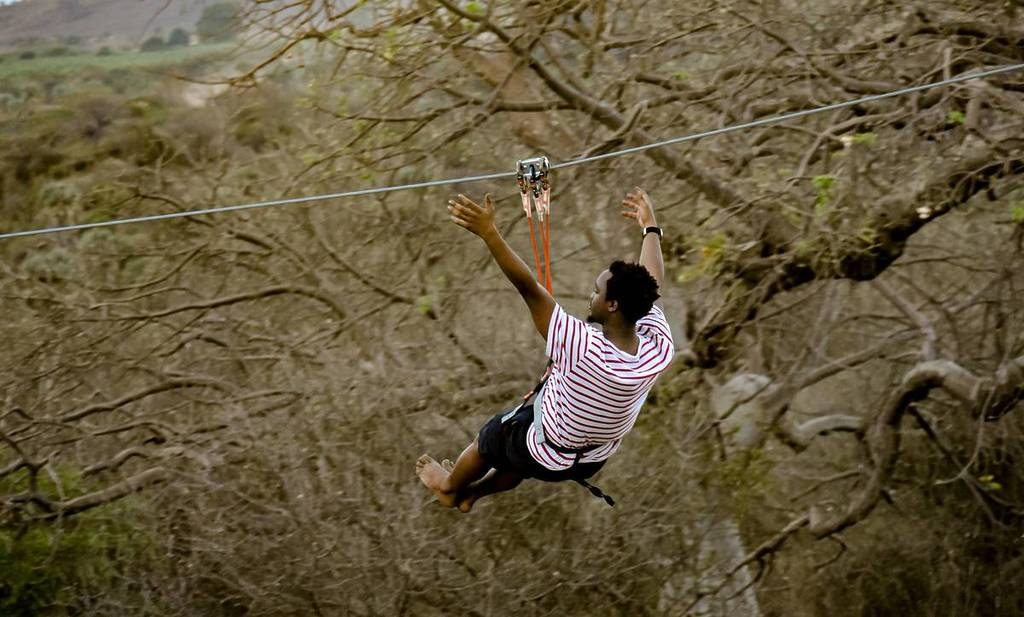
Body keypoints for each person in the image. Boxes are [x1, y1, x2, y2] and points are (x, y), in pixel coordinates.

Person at [416, 187, 674, 512]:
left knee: (493, 437)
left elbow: (527, 286)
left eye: (596, 292)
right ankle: (474, 495)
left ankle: (450, 486)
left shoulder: (582, 346)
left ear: (612, 305)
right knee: (521, 456)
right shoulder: (658, 349)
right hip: (591, 461)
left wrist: (489, 233)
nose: (590, 296)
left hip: (543, 449)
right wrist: (650, 228)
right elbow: (653, 284)